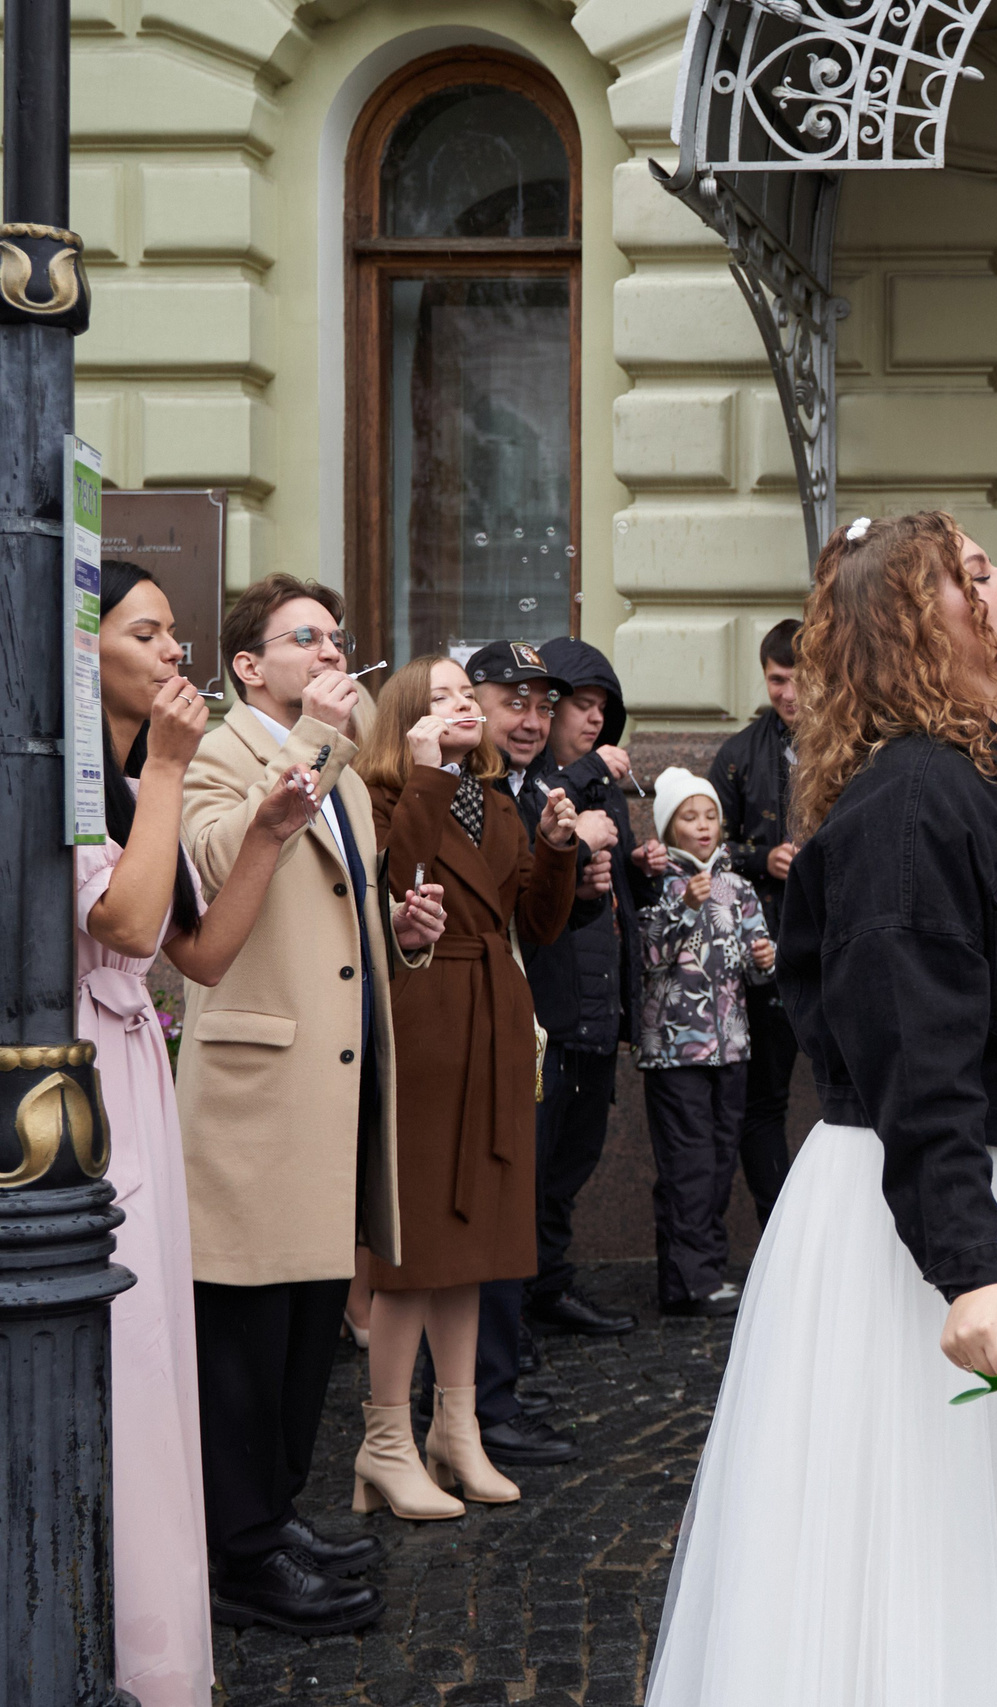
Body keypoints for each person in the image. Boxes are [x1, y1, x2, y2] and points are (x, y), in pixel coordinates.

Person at [647, 511, 997, 1707]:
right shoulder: (910, 802)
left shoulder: (994, 778)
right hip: (942, 1227)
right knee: (930, 1560)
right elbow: (918, 1063)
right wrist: (970, 1275)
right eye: (973, 577)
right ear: (918, 629)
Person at [84, 562, 330, 1702]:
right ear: (83, 651)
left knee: (152, 1351)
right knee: (116, 1349)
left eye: (175, 634)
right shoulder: (88, 780)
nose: (174, 652)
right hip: (72, 1085)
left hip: (138, 1067)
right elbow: (124, 920)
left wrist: (274, 832)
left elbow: (199, 953)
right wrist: (180, 766)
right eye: (148, 632)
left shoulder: (139, 785)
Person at [179, 574, 442, 1633]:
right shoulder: (218, 750)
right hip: (253, 1095)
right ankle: (237, 1560)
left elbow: (340, 929)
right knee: (243, 1343)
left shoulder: (341, 775)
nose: (335, 652)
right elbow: (212, 858)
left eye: (338, 636)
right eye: (308, 638)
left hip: (332, 1097)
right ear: (251, 666)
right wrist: (320, 749)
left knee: (300, 1340)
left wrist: (403, 941)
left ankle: (272, 1517)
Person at [354, 657, 583, 1518]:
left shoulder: (495, 806)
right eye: (446, 694)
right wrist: (425, 772)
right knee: (410, 1248)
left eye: (465, 696)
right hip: (421, 1018)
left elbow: (539, 920)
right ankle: (384, 1438)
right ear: (410, 713)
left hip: (492, 1021)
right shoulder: (384, 793)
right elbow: (392, 872)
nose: (467, 707)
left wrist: (556, 849)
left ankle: (457, 1428)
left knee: (472, 1245)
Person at [471, 637, 657, 1472]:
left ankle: (493, 1377)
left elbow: (553, 913)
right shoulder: (494, 791)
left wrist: (597, 879)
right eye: (523, 702)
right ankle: (474, 1393)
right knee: (499, 1211)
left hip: (563, 1016)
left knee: (544, 1185)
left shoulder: (532, 792)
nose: (540, 720)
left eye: (548, 706)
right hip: (509, 1023)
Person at [634, 768, 775, 1318]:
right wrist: (685, 906)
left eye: (710, 816)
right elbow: (649, 958)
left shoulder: (736, 886)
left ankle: (699, 1272)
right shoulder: (658, 880)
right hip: (676, 1051)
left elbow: (754, 968)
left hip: (731, 1046)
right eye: (689, 817)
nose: (703, 827)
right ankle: (689, 1280)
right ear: (670, 827)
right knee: (687, 1164)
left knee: (718, 1161)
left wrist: (767, 959)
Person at [711, 618, 803, 1224]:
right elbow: (706, 848)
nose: (789, 693)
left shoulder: (861, 744)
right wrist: (761, 858)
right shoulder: (740, 754)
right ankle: (778, 1232)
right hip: (765, 955)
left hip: (845, 950)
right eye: (777, 680)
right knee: (765, 1100)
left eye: (801, 679)